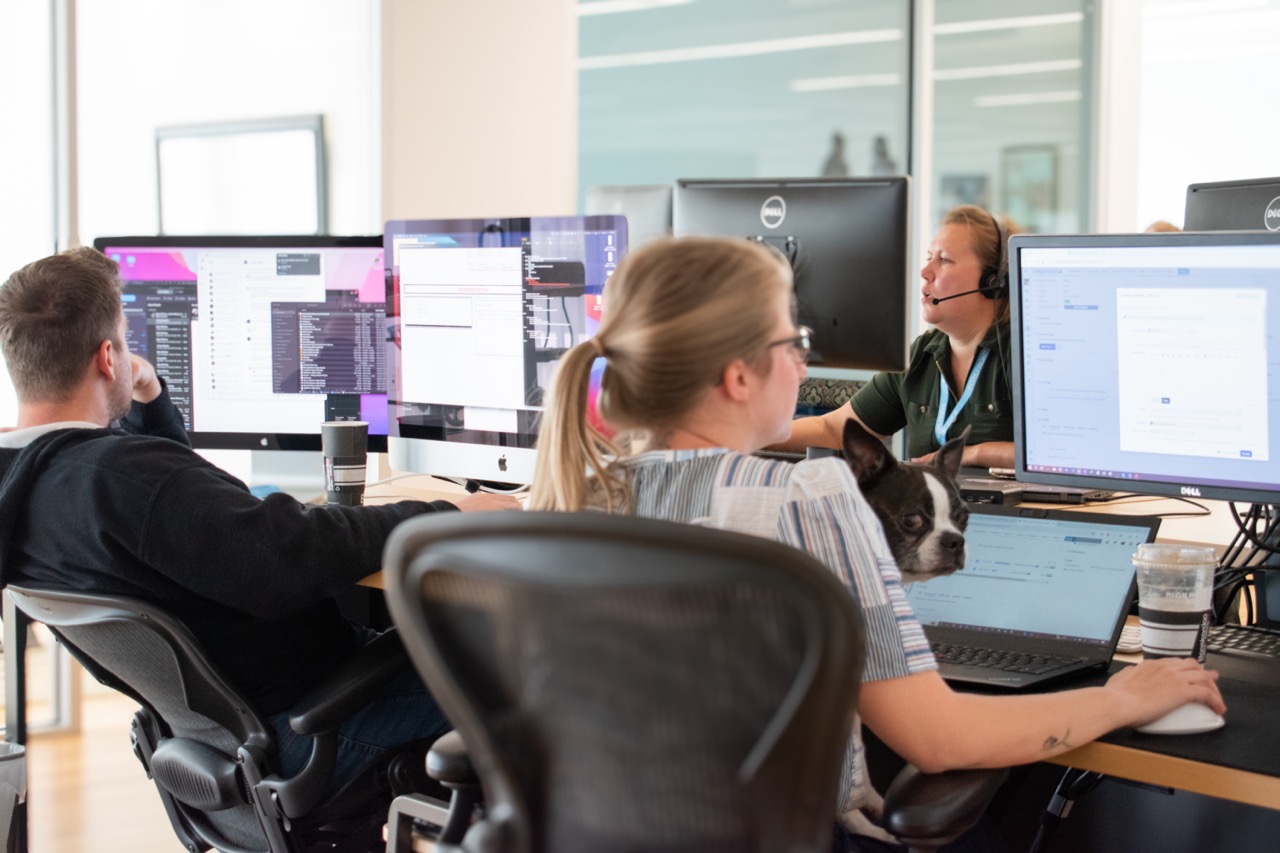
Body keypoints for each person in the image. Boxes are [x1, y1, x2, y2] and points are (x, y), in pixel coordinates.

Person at [529, 236, 1224, 851]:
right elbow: (942, 739)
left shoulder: (575, 495)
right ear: (739, 376)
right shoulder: (806, 499)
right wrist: (1124, 697)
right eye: (794, 344)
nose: (804, 367)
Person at [0, 246, 518, 788]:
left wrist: (149, 398)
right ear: (109, 358)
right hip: (314, 722)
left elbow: (168, 508)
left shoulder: (29, 481)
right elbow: (291, 550)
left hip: (220, 733)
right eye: (126, 342)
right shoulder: (126, 479)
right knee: (528, 673)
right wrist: (445, 514)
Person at [783, 205, 1016, 469]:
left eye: (944, 260)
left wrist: (973, 454)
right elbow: (834, 429)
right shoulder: (923, 354)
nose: (925, 271)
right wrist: (754, 434)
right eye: (929, 257)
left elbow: (1053, 454)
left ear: (993, 281)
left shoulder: (1023, 353)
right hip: (929, 497)